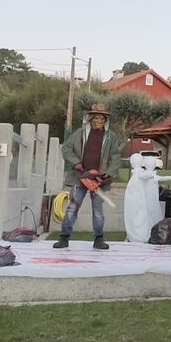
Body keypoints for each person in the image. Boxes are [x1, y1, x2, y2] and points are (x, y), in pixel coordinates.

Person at [55, 103, 121, 250]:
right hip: (80, 177)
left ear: (106, 120)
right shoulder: (80, 133)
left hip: (99, 181)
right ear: (91, 118)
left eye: (102, 119)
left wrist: (106, 175)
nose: (98, 121)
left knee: (98, 211)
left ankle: (98, 240)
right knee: (72, 208)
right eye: (96, 118)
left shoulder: (111, 137)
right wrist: (77, 164)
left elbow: (116, 158)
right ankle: (64, 238)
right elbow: (66, 148)